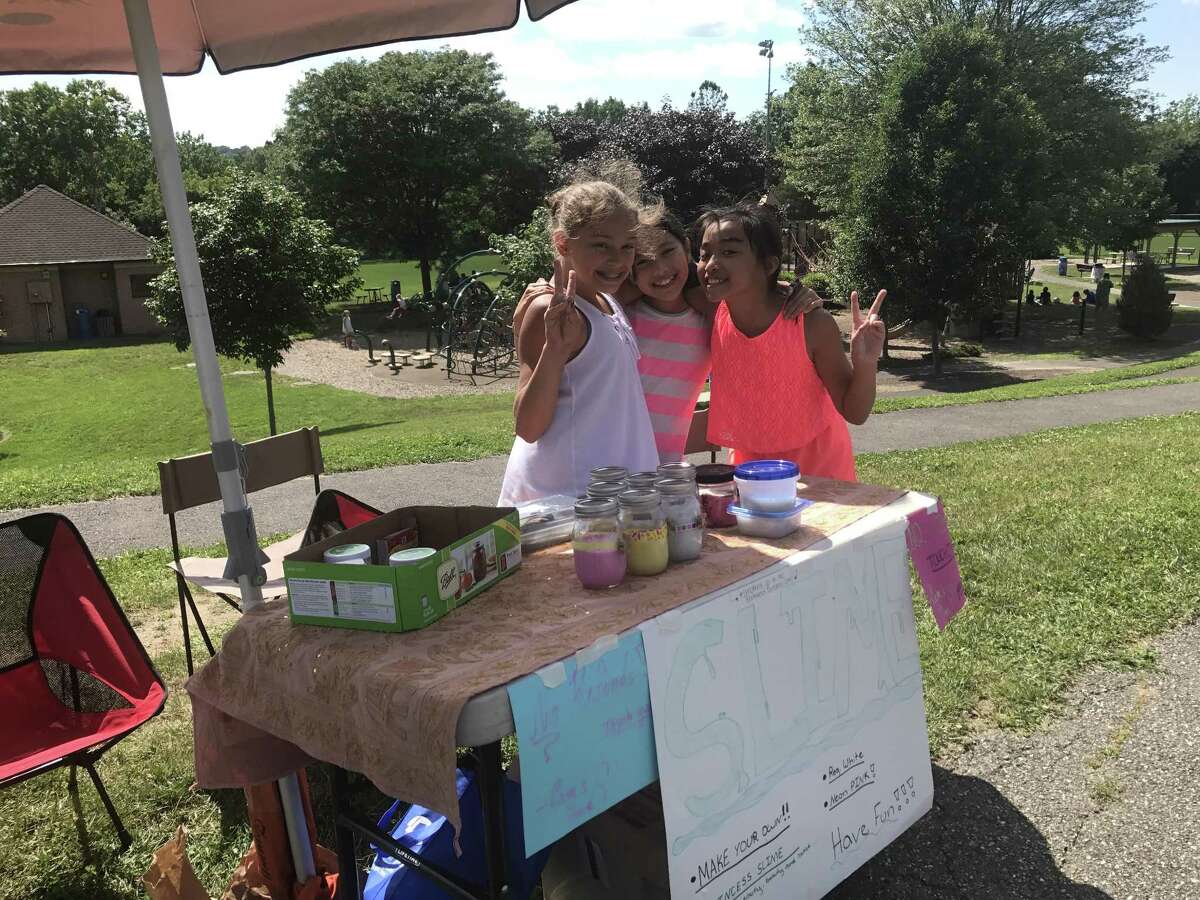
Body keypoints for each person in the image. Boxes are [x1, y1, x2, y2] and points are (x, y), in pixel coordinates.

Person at [514, 206, 822, 464]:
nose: (660, 269)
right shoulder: (620, 316)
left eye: (667, 252)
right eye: (643, 261)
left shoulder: (709, 315)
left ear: (686, 247)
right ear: (629, 269)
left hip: (664, 473)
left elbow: (753, 299)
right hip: (598, 466)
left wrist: (790, 291)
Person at [498, 178, 658, 506]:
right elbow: (527, 427)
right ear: (563, 244)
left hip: (611, 498)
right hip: (565, 502)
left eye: (627, 246)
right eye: (601, 245)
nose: (617, 260)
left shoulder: (609, 301)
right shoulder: (549, 309)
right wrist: (554, 350)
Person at [697, 203, 885, 482]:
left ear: (769, 264)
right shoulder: (710, 311)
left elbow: (855, 412)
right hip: (749, 472)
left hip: (820, 472)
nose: (711, 264)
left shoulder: (810, 323)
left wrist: (866, 363)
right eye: (704, 254)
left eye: (729, 252)